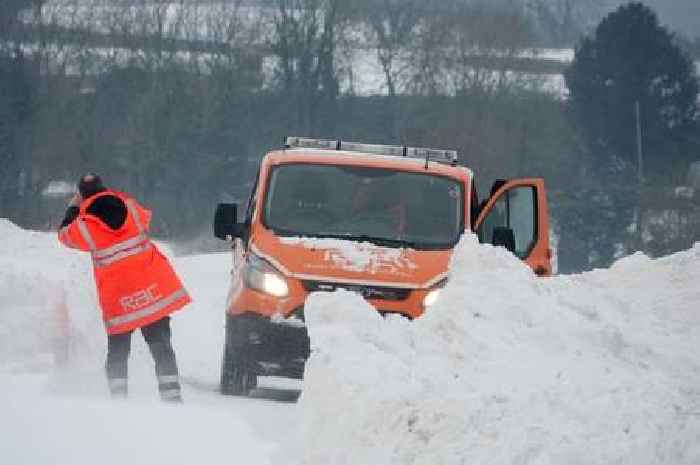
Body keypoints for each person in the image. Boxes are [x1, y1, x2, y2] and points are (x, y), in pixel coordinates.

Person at [58, 174, 191, 402]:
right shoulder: (129, 207)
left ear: (81, 196)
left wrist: (73, 208)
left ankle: (119, 403)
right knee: (161, 347)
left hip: (119, 298)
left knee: (118, 353)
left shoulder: (85, 226)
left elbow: (64, 235)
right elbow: (146, 217)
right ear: (104, 188)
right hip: (151, 291)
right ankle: (173, 400)